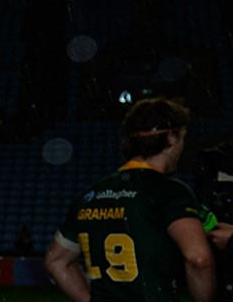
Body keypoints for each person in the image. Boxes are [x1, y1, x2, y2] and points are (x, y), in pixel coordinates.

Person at [46, 97, 217, 302]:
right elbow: (199, 259)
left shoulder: (89, 196)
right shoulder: (170, 191)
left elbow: (56, 261)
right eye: (182, 138)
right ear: (171, 137)